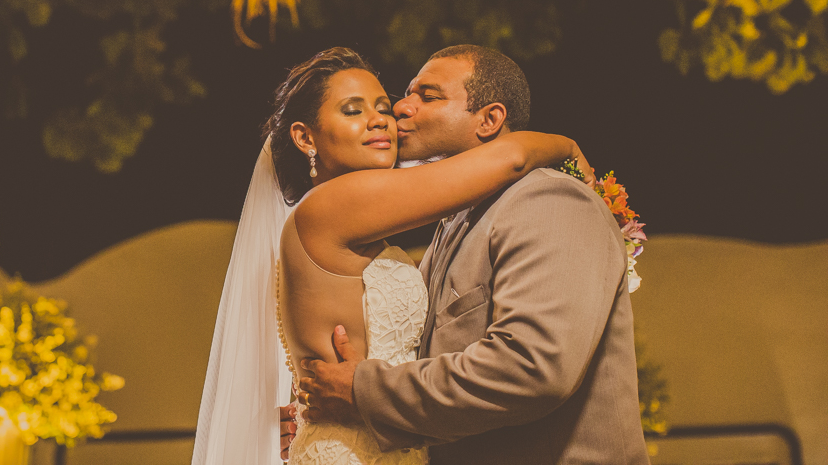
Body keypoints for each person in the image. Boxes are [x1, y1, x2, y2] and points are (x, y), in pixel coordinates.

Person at [192, 47, 590, 465]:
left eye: (382, 106)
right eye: (352, 110)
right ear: (305, 137)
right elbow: (511, 158)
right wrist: (567, 147)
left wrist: (308, 415)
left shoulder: (352, 225)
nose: (383, 117)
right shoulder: (331, 206)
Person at [299, 45, 650, 465]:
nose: (400, 107)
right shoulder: (456, 222)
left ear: (490, 120)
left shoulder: (548, 200)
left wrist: (364, 391)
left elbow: (533, 367)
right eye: (406, 94)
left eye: (427, 96)